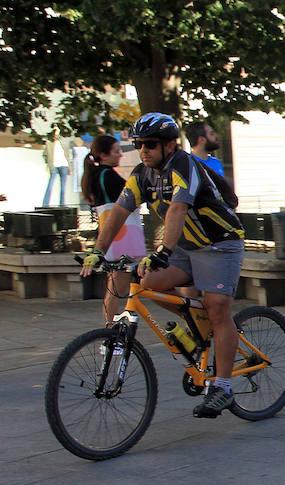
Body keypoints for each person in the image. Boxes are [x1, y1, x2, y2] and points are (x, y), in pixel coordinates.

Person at [79, 113, 245, 417]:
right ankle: (198, 328)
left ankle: (222, 386)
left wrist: (163, 251)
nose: (144, 150)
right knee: (149, 284)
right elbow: (118, 210)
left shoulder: (183, 165)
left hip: (219, 243)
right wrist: (97, 249)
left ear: (170, 144)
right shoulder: (143, 173)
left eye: (151, 144)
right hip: (186, 246)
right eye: (139, 144)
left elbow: (178, 209)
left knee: (218, 306)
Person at [79, 135, 147, 322]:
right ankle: (112, 332)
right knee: (118, 288)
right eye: (116, 151)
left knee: (115, 285)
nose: (120, 155)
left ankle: (111, 330)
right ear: (103, 154)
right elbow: (124, 203)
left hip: (113, 237)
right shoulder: (107, 175)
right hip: (122, 237)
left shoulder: (96, 175)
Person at [44, 133, 70, 206]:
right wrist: (48, 163)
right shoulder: (49, 144)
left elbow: (67, 155)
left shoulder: (63, 143)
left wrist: (69, 167)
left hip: (64, 165)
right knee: (50, 185)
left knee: (63, 187)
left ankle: (62, 204)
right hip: (54, 165)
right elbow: (45, 154)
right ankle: (45, 204)